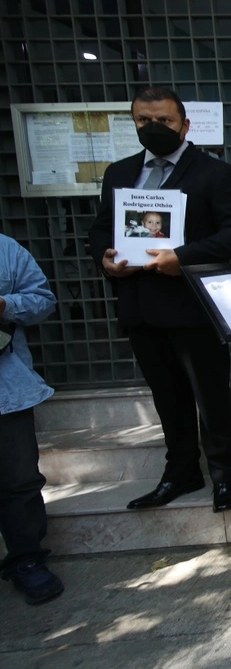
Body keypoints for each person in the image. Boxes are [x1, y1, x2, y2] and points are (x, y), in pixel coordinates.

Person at [87, 87, 231, 513]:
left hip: (193, 306)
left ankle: (226, 475)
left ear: (184, 125)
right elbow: (100, 231)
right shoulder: (119, 174)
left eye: (164, 121)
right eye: (145, 121)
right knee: (166, 396)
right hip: (141, 306)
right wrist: (106, 258)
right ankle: (180, 472)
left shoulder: (216, 174)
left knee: (212, 398)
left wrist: (183, 256)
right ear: (135, 123)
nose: (154, 128)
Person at [0, 235, 64, 605]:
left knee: (19, 478)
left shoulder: (7, 250)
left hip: (8, 390)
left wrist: (6, 304)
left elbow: (42, 301)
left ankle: (26, 560)